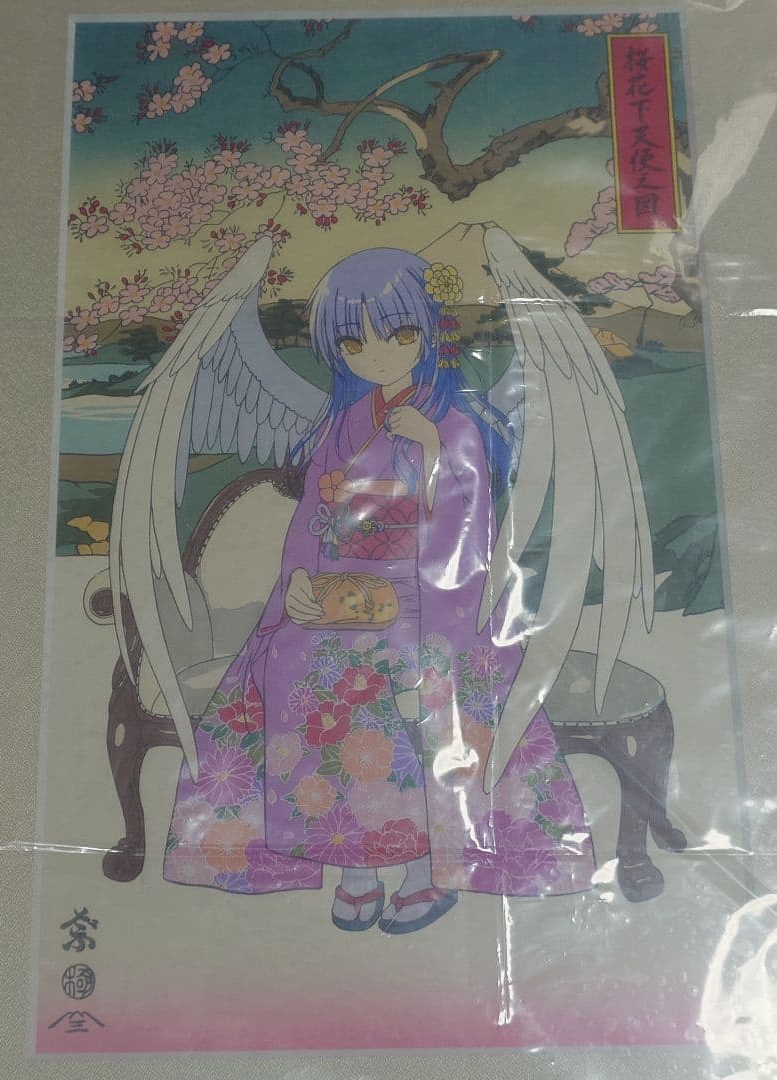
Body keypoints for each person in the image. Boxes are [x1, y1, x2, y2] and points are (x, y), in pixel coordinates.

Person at [162, 247, 596, 932]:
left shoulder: (453, 423)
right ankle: (354, 865)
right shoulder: (341, 424)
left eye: (398, 333)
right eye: (353, 340)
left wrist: (432, 450)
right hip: (342, 592)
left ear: (429, 332)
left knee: (410, 681)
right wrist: (299, 580)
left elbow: (470, 526)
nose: (376, 353)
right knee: (295, 666)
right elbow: (313, 515)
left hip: (431, 598)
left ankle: (426, 868)